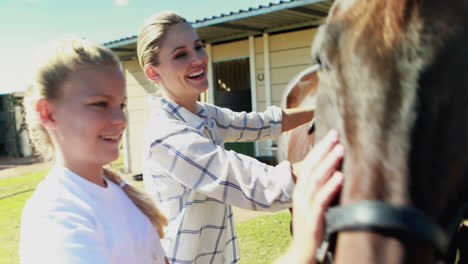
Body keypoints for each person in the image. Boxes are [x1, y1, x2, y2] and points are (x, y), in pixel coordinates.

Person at [137, 11, 343, 264]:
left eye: (198, 47)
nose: (197, 59)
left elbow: (261, 124)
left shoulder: (203, 114)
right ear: (153, 73)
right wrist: (343, 152)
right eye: (180, 54)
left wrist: (325, 108)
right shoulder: (166, 136)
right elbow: (256, 184)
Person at [19, 37, 168, 264]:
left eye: (121, 105)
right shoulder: (57, 216)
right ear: (48, 113)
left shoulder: (116, 191)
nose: (121, 120)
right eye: (100, 104)